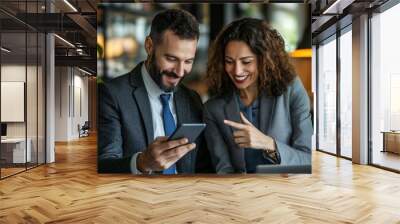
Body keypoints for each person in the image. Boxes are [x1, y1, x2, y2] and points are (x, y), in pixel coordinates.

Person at [98, 9, 213, 174]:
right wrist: (141, 163)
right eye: (171, 59)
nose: (180, 72)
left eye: (188, 61)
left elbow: (201, 167)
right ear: (149, 46)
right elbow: (104, 165)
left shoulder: (192, 99)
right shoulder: (112, 95)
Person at [204, 18, 312, 174]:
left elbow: (308, 159)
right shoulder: (213, 109)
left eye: (246, 62)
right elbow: (224, 170)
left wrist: (268, 143)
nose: (237, 71)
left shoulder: (291, 91)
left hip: (287, 191)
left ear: (264, 60)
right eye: (229, 61)